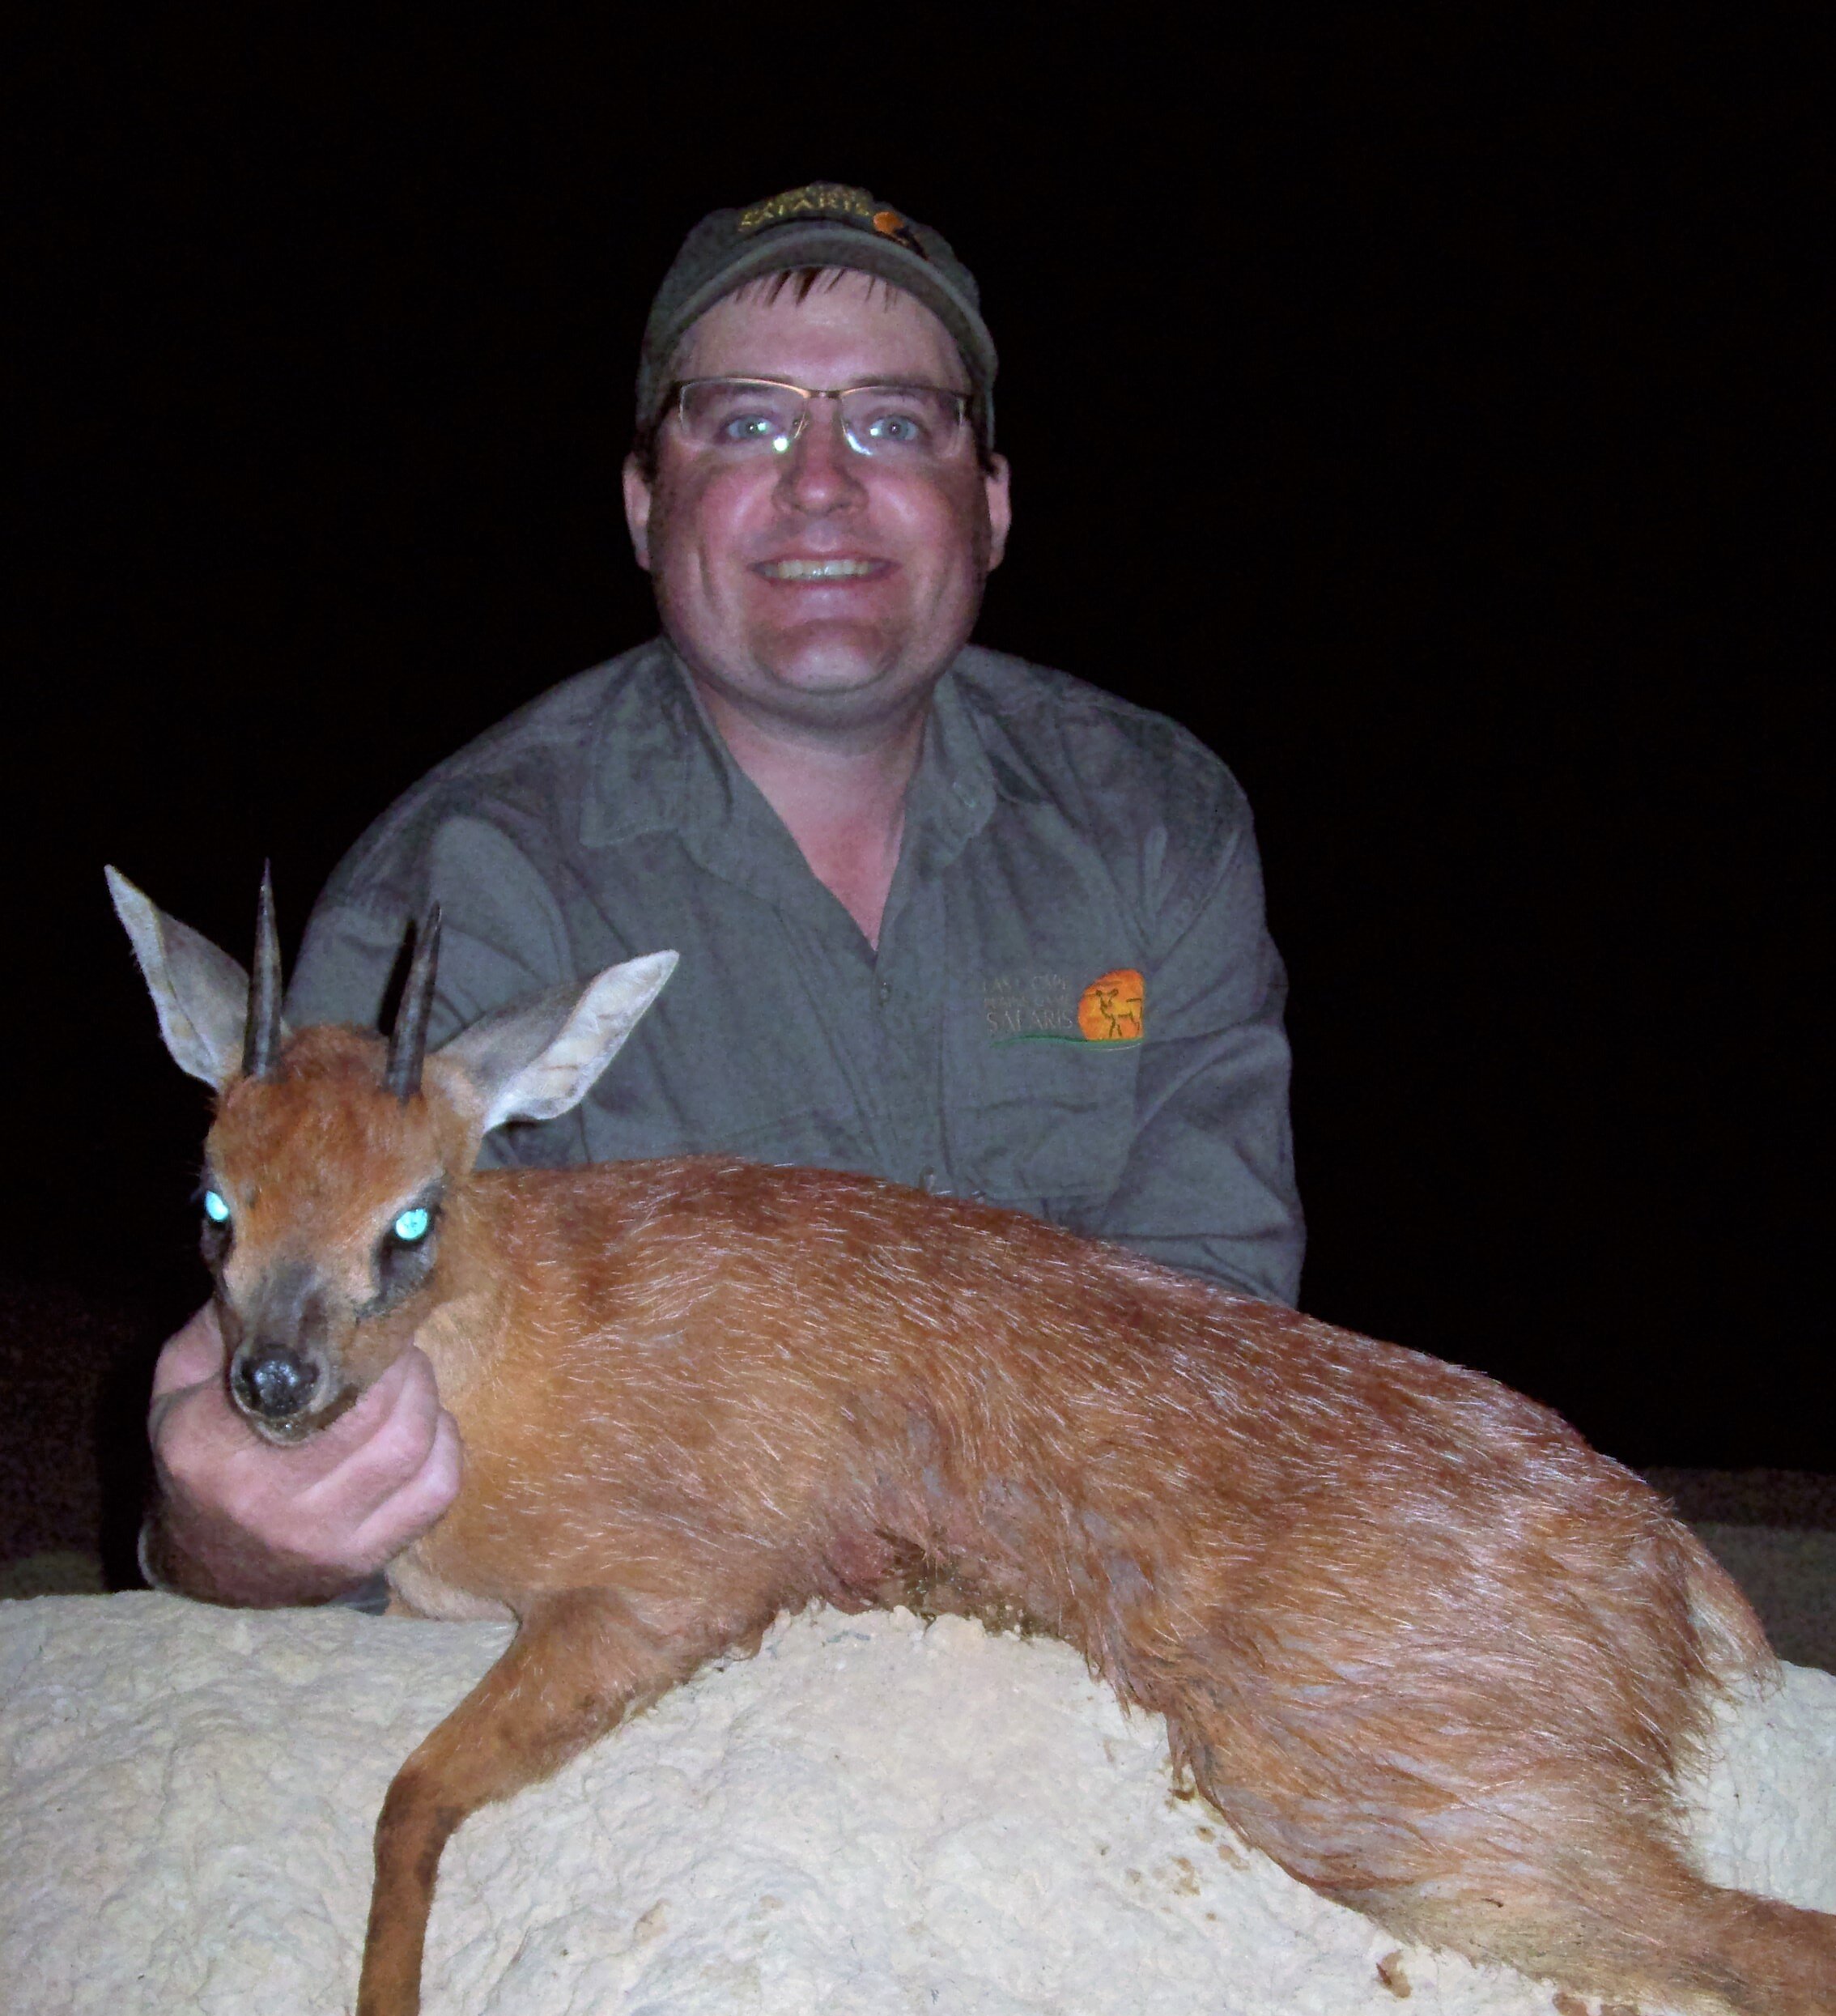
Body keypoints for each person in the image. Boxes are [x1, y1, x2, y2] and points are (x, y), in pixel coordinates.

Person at [144, 182, 1303, 1606]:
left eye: (894, 421)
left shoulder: (1153, 819)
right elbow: (345, 1414)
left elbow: (1224, 1323)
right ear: (645, 503)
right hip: (681, 1633)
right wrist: (220, 1530)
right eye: (745, 420)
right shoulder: (454, 896)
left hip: (1084, 1576)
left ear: (989, 504)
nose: (821, 482)